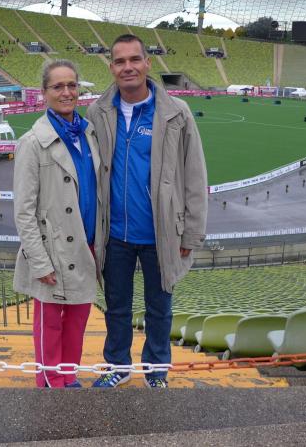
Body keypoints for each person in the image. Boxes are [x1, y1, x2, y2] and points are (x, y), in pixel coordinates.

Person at [86, 34, 208, 388]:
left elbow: (194, 174)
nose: (128, 67)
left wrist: (191, 233)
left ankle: (156, 371)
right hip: (115, 233)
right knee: (116, 308)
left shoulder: (176, 113)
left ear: (147, 63)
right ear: (111, 67)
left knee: (160, 310)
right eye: (120, 61)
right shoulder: (97, 112)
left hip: (162, 232)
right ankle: (118, 366)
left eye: (134, 59)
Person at [13, 59, 102, 388]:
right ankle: (50, 384)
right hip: (52, 252)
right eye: (58, 86)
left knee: (77, 322)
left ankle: (69, 376)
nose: (67, 92)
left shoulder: (89, 134)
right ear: (44, 93)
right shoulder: (32, 143)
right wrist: (39, 261)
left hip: (85, 246)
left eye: (72, 85)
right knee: (49, 325)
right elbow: (23, 210)